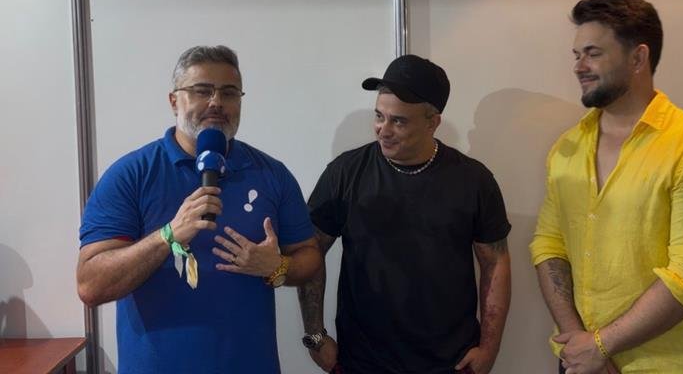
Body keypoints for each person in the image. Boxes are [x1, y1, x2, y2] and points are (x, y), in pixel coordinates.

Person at [530, 0, 683, 374]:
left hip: (668, 366)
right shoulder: (567, 147)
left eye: (593, 53)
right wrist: (580, 344)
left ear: (637, 58)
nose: (579, 66)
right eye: (576, 55)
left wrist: (601, 346)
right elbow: (549, 244)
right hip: (578, 362)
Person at [77, 45, 321, 373]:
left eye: (229, 92)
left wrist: (277, 266)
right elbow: (91, 285)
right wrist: (168, 235)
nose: (216, 102)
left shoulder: (271, 174)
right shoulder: (131, 174)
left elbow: (310, 258)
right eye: (202, 90)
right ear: (173, 101)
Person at [296, 55, 512, 374]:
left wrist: (489, 349)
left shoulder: (474, 180)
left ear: (432, 122)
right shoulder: (345, 173)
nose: (383, 130)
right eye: (379, 116)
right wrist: (315, 337)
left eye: (398, 121)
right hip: (362, 362)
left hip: (451, 362)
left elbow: (495, 262)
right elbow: (309, 252)